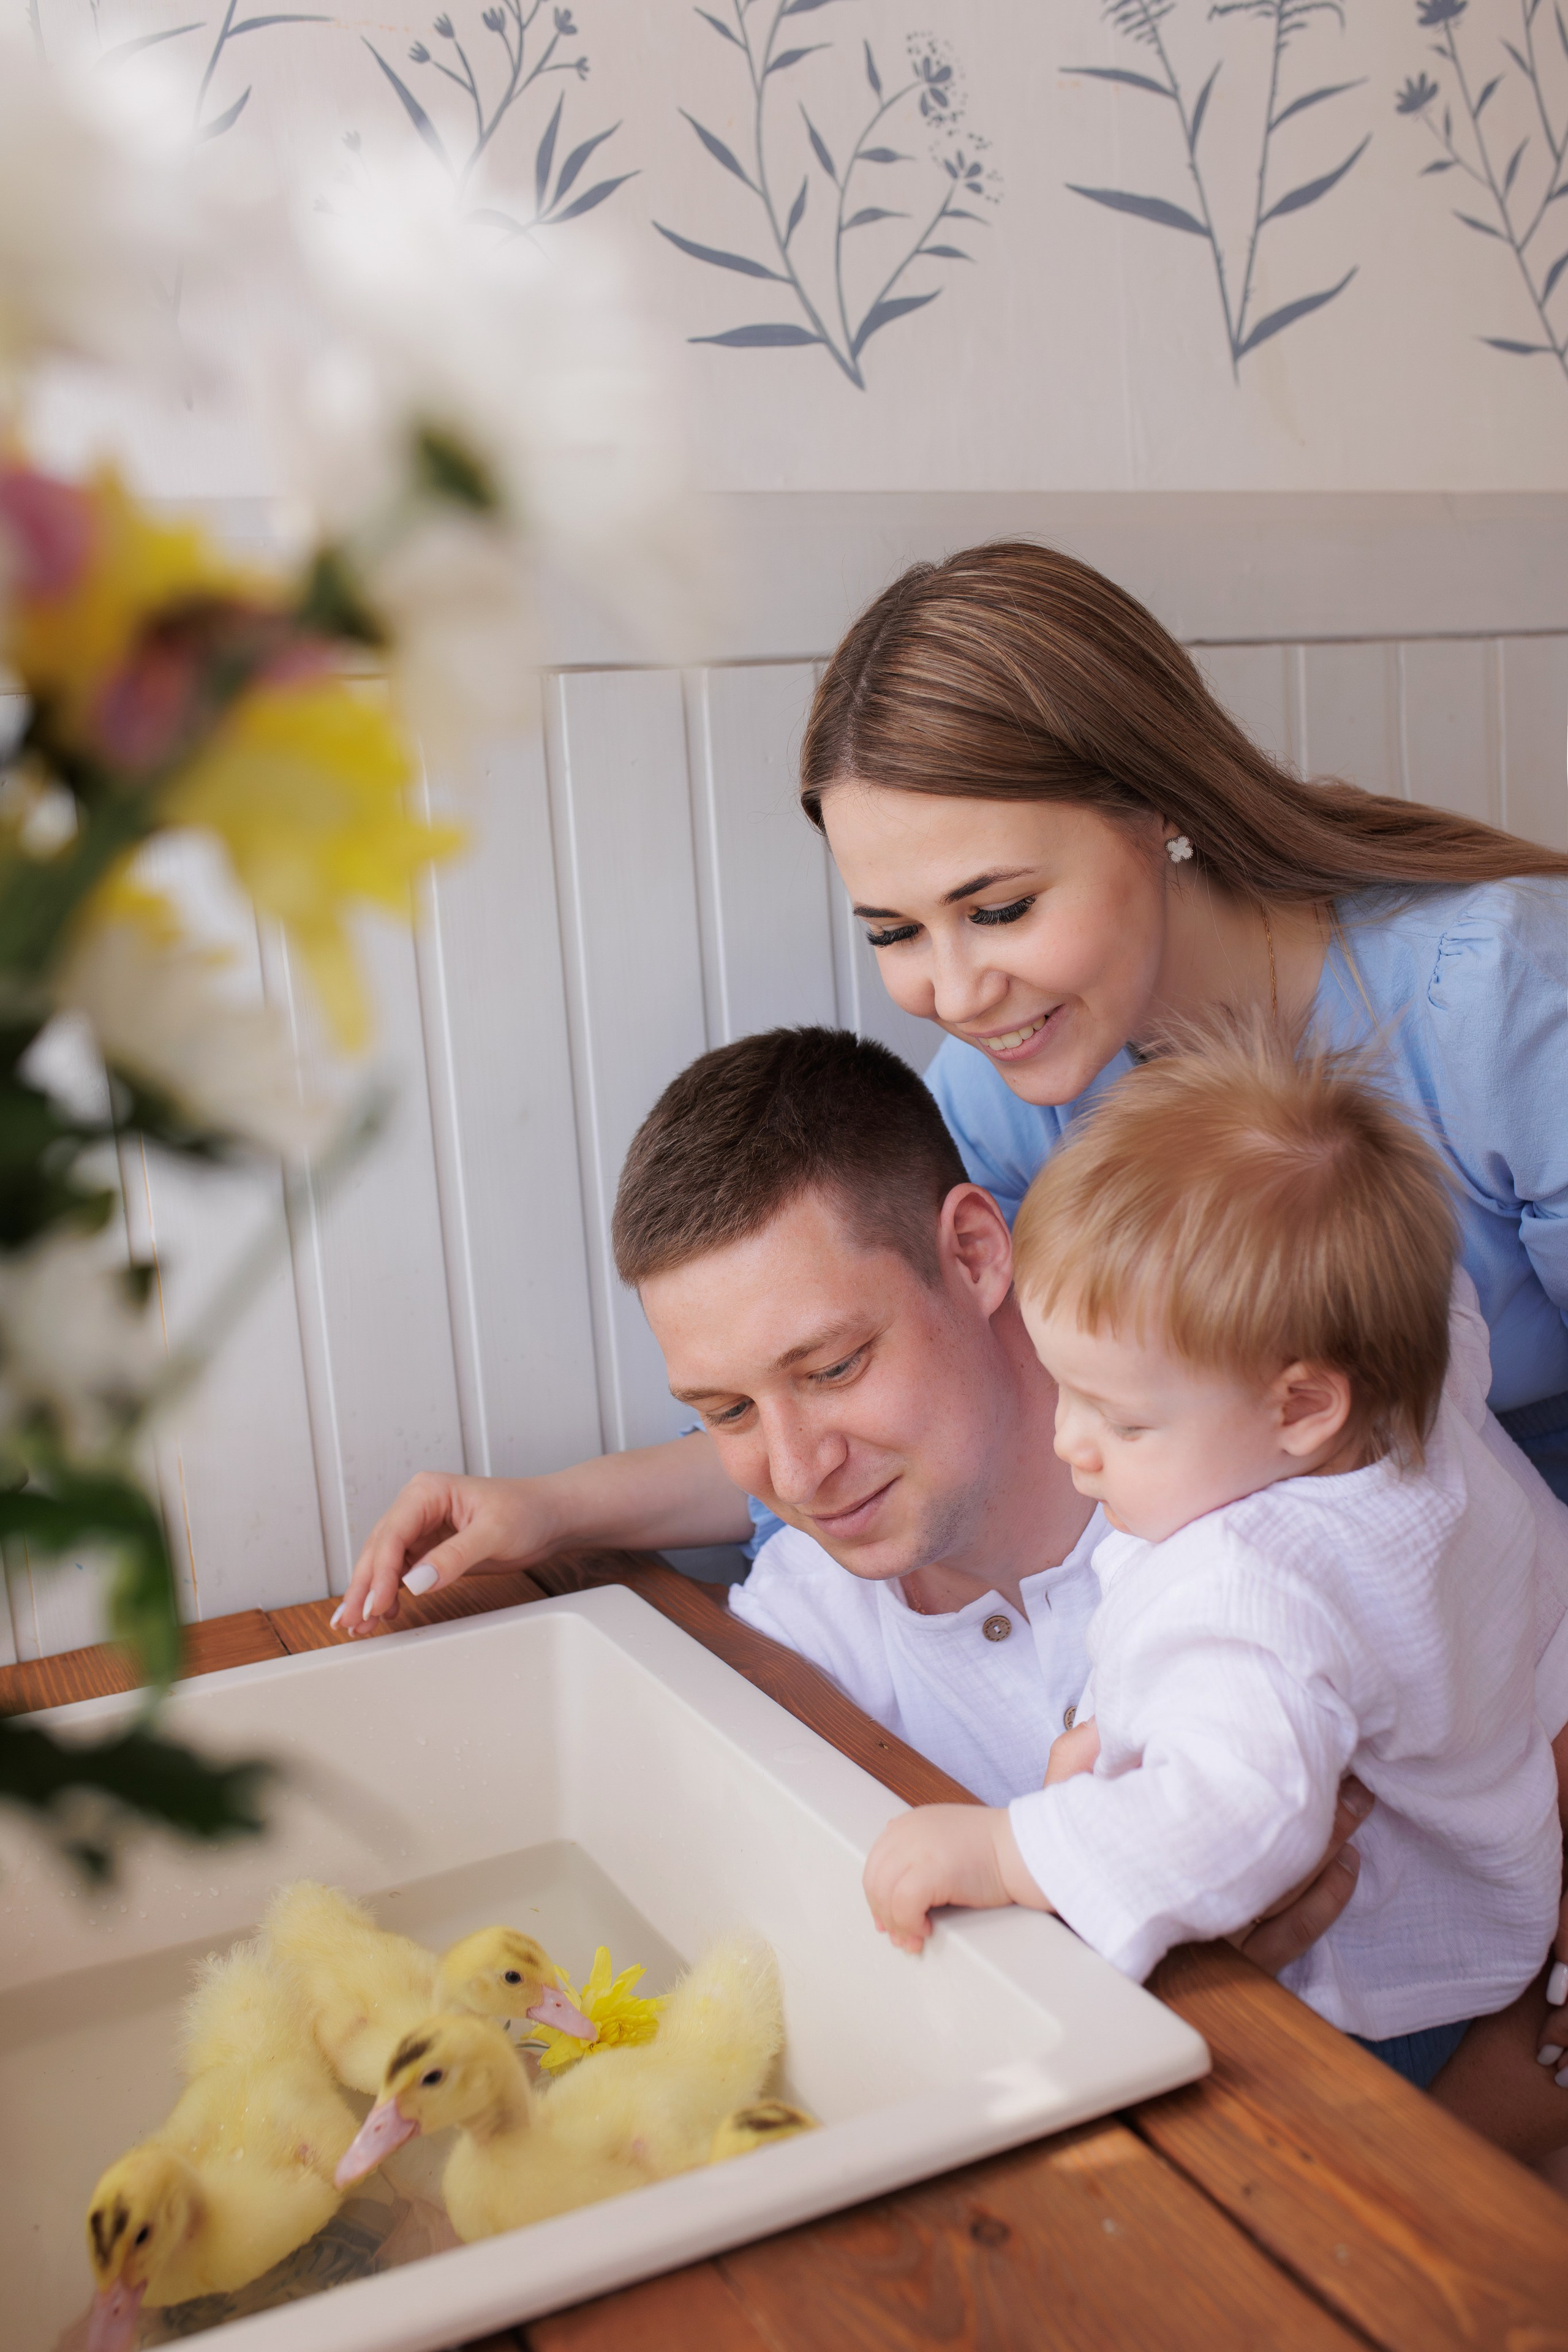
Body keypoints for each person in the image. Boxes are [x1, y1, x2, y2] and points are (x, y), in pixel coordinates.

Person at [340, 1028, 1568, 2157]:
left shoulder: (1269, 1431)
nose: (795, 1470)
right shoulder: (803, 1636)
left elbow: (1511, 1581)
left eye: (832, 1367)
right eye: (723, 1412)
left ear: (978, 1255)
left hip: (1456, 2003)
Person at [796, 535, 1568, 2082]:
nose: (950, 987)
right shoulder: (1012, 1098)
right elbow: (914, 1399)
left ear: (1155, 816)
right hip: (1379, 1657)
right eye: (892, 932)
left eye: (995, 908)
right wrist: (560, 1510)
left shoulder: (1490, 998)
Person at [861, 1029, 1564, 2092]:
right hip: (1501, 1843)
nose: (1071, 1443)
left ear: (1303, 1407)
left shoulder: (1246, 1589)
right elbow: (1442, 1305)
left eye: (1126, 1421)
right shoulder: (1422, 1374)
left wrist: (1010, 1852)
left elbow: (1239, 1816)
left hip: (1383, 1983)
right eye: (1067, 1387)